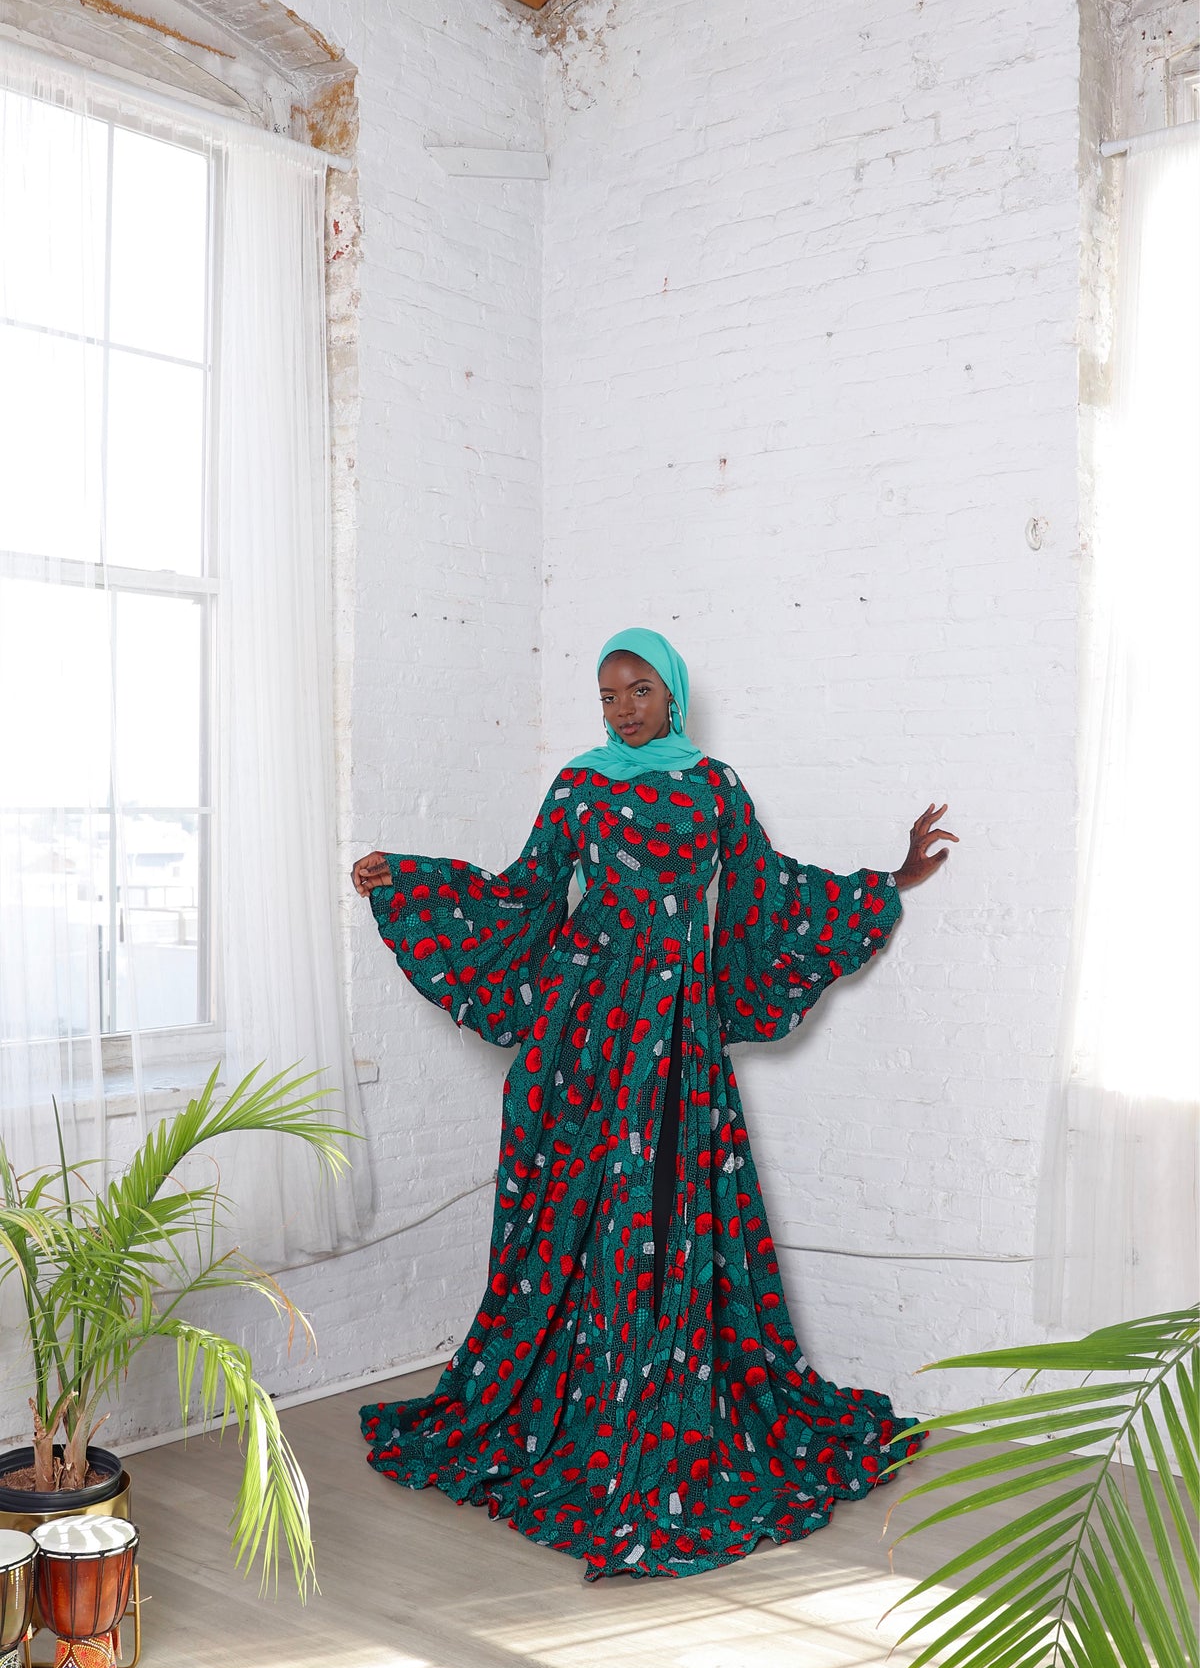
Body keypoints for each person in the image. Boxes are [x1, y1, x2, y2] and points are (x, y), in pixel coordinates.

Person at [352, 627, 957, 1580]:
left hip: (677, 1028)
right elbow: (525, 893)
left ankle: (663, 1406)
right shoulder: (580, 787)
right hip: (585, 1028)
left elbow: (765, 894)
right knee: (573, 1212)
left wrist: (889, 880)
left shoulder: (715, 789)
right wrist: (413, 878)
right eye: (608, 695)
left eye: (638, 690)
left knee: (670, 1207)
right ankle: (578, 1410)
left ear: (671, 693)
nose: (623, 709)